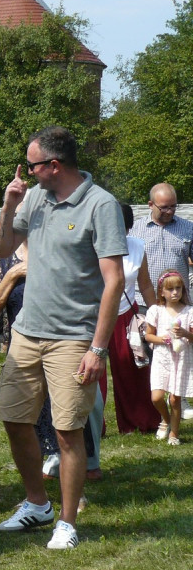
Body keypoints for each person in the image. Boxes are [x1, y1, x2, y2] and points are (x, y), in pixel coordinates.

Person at [0, 126, 126, 550]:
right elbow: (2, 248)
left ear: (53, 165)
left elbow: (114, 281)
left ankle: (66, 523)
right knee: (14, 420)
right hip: (27, 333)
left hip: (74, 338)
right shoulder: (32, 196)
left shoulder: (100, 205)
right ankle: (38, 503)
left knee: (67, 432)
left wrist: (97, 348)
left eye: (32, 166)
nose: (27, 172)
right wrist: (8, 204)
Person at [107, 204, 159, 434]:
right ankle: (91, 427)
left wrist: (157, 315)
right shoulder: (87, 247)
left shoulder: (137, 247)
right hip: (91, 315)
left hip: (126, 315)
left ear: (128, 226)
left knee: (133, 368)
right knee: (89, 372)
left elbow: (145, 284)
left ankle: (140, 421)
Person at [145, 272, 193, 444]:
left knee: (175, 399)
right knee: (156, 397)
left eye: (178, 288)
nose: (175, 292)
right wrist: (162, 339)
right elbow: (148, 336)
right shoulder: (156, 310)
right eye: (170, 289)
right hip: (162, 358)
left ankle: (174, 433)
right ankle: (165, 419)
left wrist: (186, 333)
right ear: (162, 292)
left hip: (181, 359)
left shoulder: (189, 312)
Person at [129, 183, 193, 306]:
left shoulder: (188, 228)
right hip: (143, 302)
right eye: (164, 207)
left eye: (173, 206)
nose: (169, 212)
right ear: (151, 205)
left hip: (178, 302)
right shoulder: (135, 230)